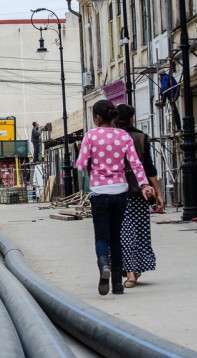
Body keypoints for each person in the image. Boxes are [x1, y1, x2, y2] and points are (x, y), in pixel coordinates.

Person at [75, 100, 154, 296]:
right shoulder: (123, 136)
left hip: (100, 192)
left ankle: (104, 266)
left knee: (102, 237)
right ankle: (117, 285)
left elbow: (81, 164)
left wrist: (93, 163)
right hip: (120, 191)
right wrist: (144, 185)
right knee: (116, 237)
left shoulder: (90, 136)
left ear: (97, 118)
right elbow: (136, 164)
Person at [114, 104, 164, 288]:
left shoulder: (113, 138)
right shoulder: (141, 138)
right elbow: (149, 167)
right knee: (140, 231)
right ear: (132, 118)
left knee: (124, 232)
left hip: (117, 190)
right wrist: (157, 192)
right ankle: (135, 269)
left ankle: (129, 273)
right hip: (140, 191)